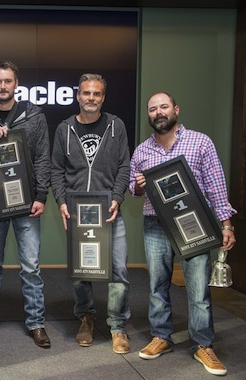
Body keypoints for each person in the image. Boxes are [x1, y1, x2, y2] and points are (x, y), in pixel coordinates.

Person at [130, 92, 236, 376]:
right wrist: (139, 185)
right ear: (149, 116)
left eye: (163, 106)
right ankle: (161, 337)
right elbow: (134, 188)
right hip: (155, 224)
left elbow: (216, 186)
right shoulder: (142, 151)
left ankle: (202, 344)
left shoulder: (200, 142)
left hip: (194, 225)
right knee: (156, 285)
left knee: (198, 289)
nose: (158, 112)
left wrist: (226, 225)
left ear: (176, 109)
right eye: (152, 109)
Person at [0, 61, 51, 348]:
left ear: (16, 84)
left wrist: (41, 197)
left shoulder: (34, 116)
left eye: (8, 81)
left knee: (30, 266)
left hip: (27, 203)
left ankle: (36, 323)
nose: (2, 86)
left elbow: (42, 157)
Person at [50, 73, 131, 354]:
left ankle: (118, 326)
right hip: (77, 211)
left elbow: (124, 166)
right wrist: (61, 201)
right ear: (78, 96)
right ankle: (85, 317)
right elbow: (56, 170)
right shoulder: (64, 129)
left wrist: (118, 197)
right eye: (86, 93)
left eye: (97, 94)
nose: (91, 98)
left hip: (109, 210)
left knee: (118, 269)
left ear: (103, 98)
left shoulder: (115, 126)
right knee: (81, 271)